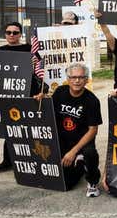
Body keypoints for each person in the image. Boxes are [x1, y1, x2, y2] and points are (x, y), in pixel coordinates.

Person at [38, 63, 103, 197]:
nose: (77, 81)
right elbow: (49, 109)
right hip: (63, 140)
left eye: (81, 77)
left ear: (86, 79)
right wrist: (41, 100)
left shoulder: (92, 101)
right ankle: (79, 165)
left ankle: (92, 182)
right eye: (73, 77)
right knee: (65, 184)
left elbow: (93, 130)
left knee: (90, 153)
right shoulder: (60, 92)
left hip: (82, 142)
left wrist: (73, 151)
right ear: (68, 79)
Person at [0, 21, 47, 173]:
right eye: (9, 32)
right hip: (10, 95)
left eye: (15, 32)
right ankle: (7, 161)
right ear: (5, 34)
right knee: (11, 128)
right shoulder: (0, 50)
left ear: (20, 34)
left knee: (32, 128)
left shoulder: (30, 49)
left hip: (29, 94)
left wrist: (36, 63)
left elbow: (42, 70)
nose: (12, 35)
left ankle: (36, 159)